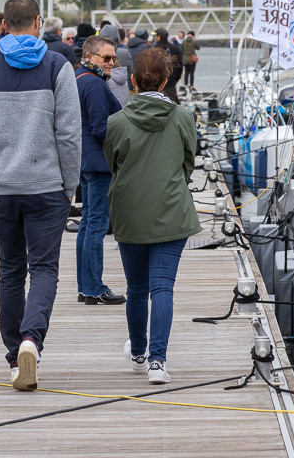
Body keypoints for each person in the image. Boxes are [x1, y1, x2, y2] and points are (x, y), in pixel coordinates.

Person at [0, 0, 81, 392]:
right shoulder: (56, 66)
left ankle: (15, 356)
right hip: (46, 185)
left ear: (3, 26)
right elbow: (68, 133)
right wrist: (70, 184)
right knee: (44, 269)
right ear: (38, 22)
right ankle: (32, 339)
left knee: (10, 270)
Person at [104, 48, 200, 385]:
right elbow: (189, 161)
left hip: (130, 211)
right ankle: (158, 361)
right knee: (163, 288)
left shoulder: (117, 121)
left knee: (135, 288)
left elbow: (113, 164)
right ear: (165, 81)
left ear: (132, 81)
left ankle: (139, 353)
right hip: (171, 208)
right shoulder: (184, 117)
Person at [74, 34, 126, 306]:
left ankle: (86, 286)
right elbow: (100, 127)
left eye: (114, 58)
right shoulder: (93, 84)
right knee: (96, 223)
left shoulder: (80, 77)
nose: (111, 63)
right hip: (98, 162)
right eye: (106, 57)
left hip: (86, 160)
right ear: (90, 56)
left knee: (87, 222)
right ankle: (94, 287)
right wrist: (124, 148)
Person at [154, 28, 183, 103]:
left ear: (158, 37)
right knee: (173, 104)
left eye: (155, 36)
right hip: (171, 82)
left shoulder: (153, 49)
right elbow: (180, 66)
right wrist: (175, 80)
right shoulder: (175, 48)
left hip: (156, 83)